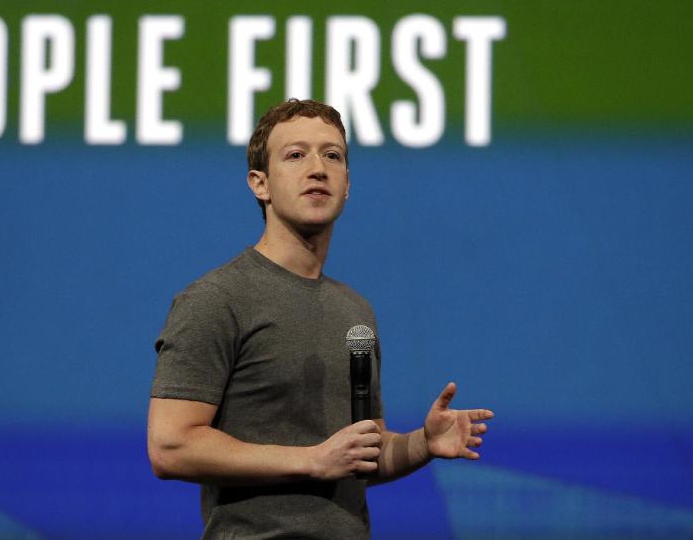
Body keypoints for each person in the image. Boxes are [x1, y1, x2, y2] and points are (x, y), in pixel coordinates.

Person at [148, 99, 493, 539]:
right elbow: (170, 446)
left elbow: (361, 455)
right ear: (261, 184)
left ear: (347, 184)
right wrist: (312, 460)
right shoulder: (216, 299)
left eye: (332, 155)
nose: (318, 168)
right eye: (295, 155)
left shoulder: (356, 314)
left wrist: (421, 445)